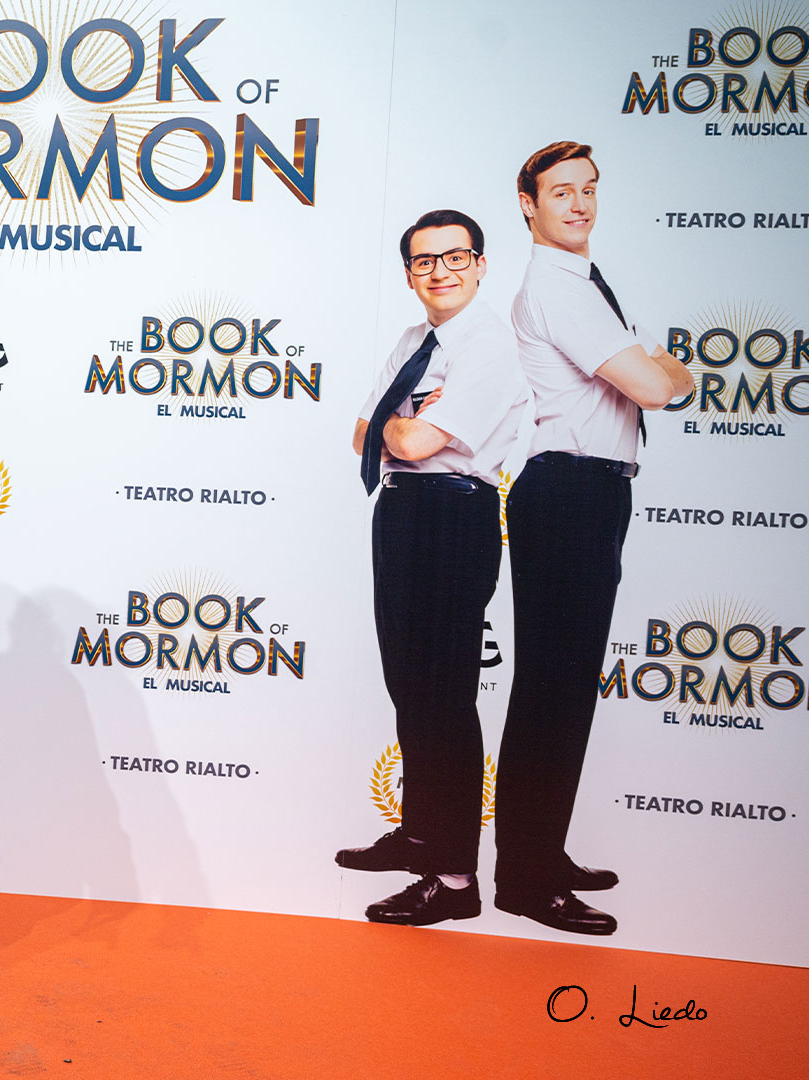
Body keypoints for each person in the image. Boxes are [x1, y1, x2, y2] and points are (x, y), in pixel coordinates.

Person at [494, 141, 694, 935]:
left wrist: (659, 370)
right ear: (528, 204)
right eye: (561, 192)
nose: (579, 204)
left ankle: (541, 854)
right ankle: (525, 878)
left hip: (593, 492)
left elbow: (660, 377)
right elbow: (657, 384)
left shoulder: (586, 284)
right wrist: (662, 370)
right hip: (569, 492)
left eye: (589, 189)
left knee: (566, 689)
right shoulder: (558, 290)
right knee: (551, 691)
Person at [337, 210, 529, 926]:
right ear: (409, 273)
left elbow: (413, 442)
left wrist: (400, 424)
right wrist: (404, 421)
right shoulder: (415, 341)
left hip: (453, 512)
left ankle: (452, 879)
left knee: (443, 698)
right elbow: (362, 433)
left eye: (454, 257)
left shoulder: (490, 345)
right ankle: (420, 835)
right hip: (400, 511)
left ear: (480, 265)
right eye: (424, 261)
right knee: (410, 689)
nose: (440, 271)